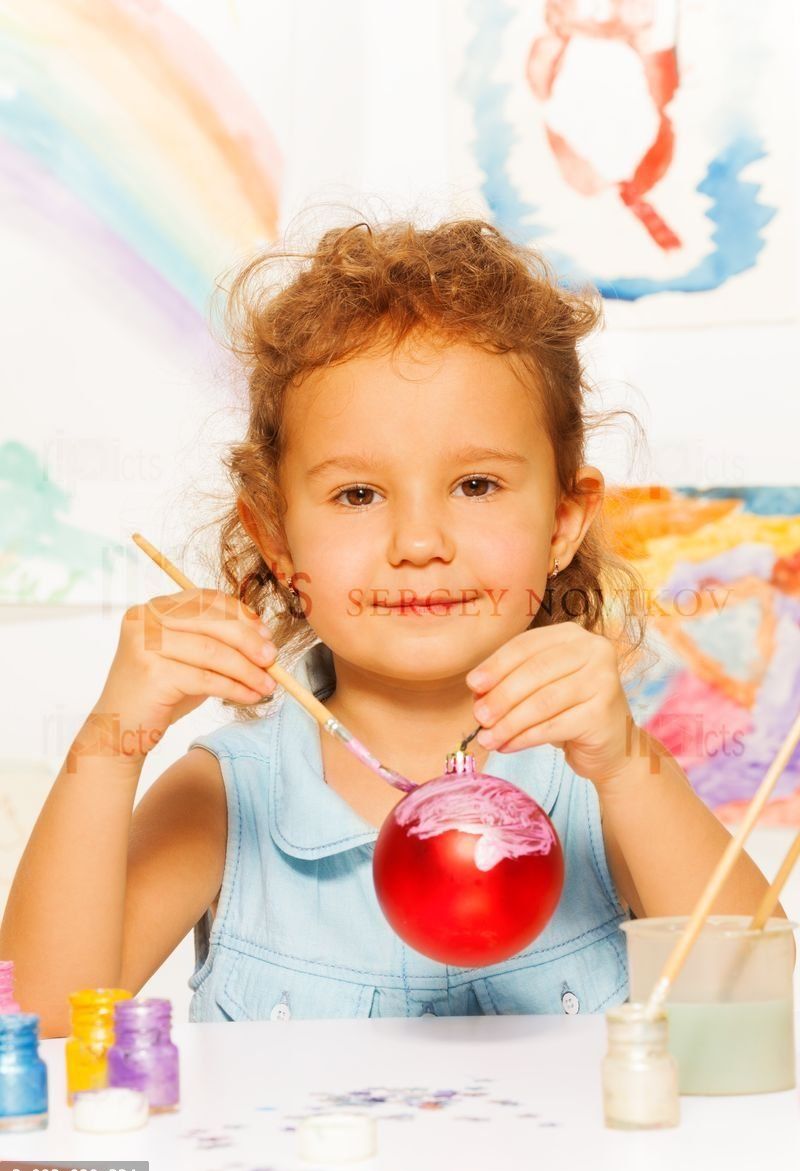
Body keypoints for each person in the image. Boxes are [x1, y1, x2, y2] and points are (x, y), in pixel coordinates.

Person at [1, 216, 782, 1037]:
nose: (418, 544)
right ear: (275, 536)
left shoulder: (602, 777)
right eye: (357, 495)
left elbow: (752, 1002)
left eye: (476, 485)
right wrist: (112, 736)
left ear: (561, 524)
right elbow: (41, 1027)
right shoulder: (227, 792)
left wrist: (626, 766)